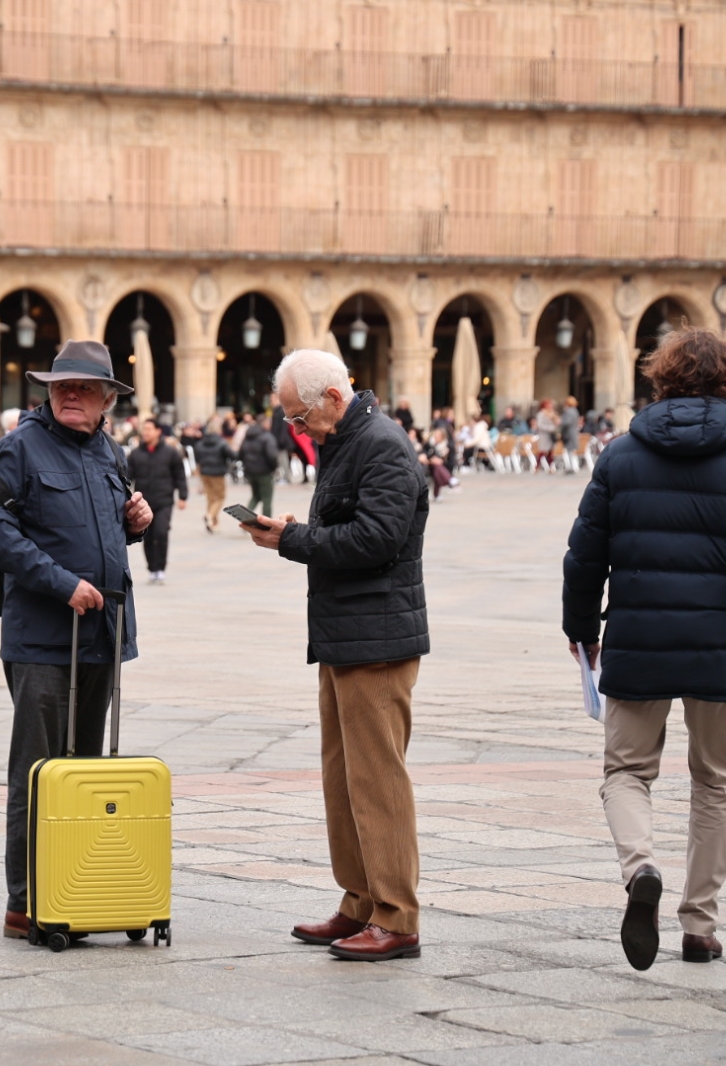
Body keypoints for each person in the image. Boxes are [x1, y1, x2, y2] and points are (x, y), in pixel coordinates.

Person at [563, 328, 726, 971]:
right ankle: (700, 925)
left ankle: (641, 866)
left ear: (660, 379)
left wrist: (583, 630)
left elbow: (583, 559)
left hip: (639, 641)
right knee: (715, 783)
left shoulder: (619, 457)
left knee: (625, 772)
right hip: (718, 647)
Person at [239, 349, 429, 962]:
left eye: (299, 417)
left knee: (378, 780)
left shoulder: (382, 444)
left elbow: (377, 539)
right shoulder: (348, 441)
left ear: (332, 398)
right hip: (347, 632)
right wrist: (295, 533)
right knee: (343, 778)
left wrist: (291, 539)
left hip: (378, 636)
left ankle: (396, 916)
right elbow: (348, 526)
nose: (296, 429)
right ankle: (359, 902)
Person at [0, 340, 153, 938]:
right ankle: (25, 902)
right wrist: (62, 584)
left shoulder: (111, 452)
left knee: (83, 770)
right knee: (38, 770)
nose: (69, 395)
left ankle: (74, 888)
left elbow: (96, 531)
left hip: (100, 634)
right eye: (60, 386)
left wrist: (134, 525)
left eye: (82, 387)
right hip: (44, 639)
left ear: (109, 399)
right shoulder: (18, 449)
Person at [128, 417, 189, 584]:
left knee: (161, 533)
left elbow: (180, 475)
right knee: (147, 535)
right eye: (144, 429)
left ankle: (160, 568)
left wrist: (183, 496)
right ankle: (152, 568)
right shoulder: (136, 453)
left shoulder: (170, 452)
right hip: (143, 502)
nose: (145, 432)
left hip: (164, 501)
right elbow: (126, 477)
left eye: (149, 429)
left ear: (158, 431)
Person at [194, 418, 233, 532]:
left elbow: (197, 458)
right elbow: (231, 454)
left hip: (204, 473)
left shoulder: (200, 443)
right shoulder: (221, 443)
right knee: (220, 497)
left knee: (211, 498)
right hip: (217, 473)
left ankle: (213, 523)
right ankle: (210, 516)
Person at [240, 413, 281, 517]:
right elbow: (272, 456)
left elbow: (240, 453)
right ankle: (266, 525)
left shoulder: (248, 436)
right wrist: (274, 467)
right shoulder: (267, 437)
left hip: (250, 471)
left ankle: (245, 518)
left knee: (255, 496)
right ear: (265, 423)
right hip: (264, 472)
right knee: (267, 498)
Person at [561, 395, 582, 472]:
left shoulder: (568, 411)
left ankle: (571, 467)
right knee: (570, 450)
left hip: (569, 433)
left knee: (569, 450)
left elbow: (567, 422)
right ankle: (572, 466)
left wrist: (560, 422)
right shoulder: (575, 410)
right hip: (573, 432)